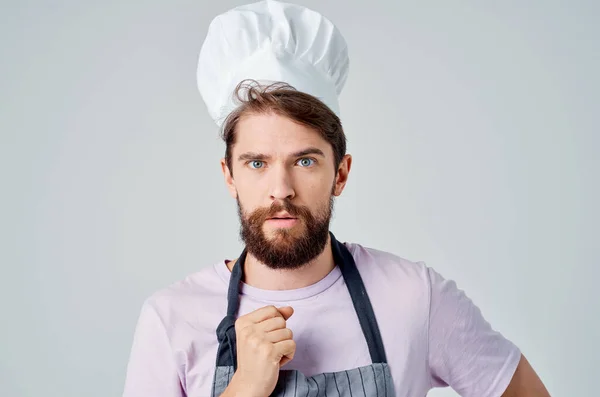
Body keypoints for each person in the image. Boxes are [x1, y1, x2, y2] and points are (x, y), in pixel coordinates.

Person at [122, 1, 551, 396]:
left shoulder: (414, 298)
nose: (281, 189)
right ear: (229, 175)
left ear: (340, 173)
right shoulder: (171, 319)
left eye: (305, 161)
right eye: (257, 163)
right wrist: (244, 388)